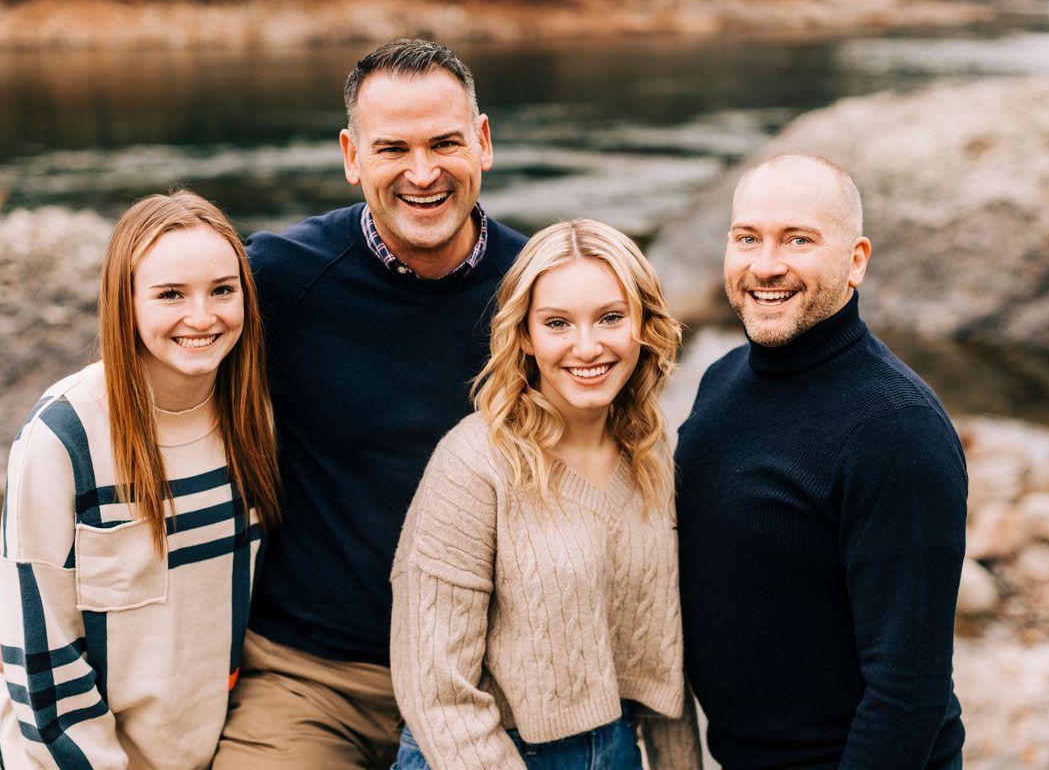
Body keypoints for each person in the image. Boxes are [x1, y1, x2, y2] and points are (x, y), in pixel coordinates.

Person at [212, 39, 527, 768]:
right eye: (393, 149)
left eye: (445, 143)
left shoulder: (539, 289)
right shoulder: (279, 279)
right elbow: (155, 365)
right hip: (312, 675)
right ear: (353, 157)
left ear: (482, 143)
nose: (423, 172)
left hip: (486, 676)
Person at [675, 153, 967, 769]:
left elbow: (908, 691)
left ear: (856, 260)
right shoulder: (721, 380)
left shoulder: (896, 429)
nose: (765, 265)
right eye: (747, 238)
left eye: (798, 240)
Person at [389, 219, 702, 770]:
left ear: (643, 325)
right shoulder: (473, 464)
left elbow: (661, 666)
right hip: (481, 754)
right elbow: (437, 692)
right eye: (557, 322)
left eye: (611, 317)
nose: (588, 346)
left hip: (617, 750)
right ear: (526, 336)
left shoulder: (651, 451)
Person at [0, 190, 282, 769]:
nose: (203, 316)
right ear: (125, 302)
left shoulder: (255, 418)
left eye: (223, 290)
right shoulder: (65, 435)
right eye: (171, 294)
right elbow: (42, 664)